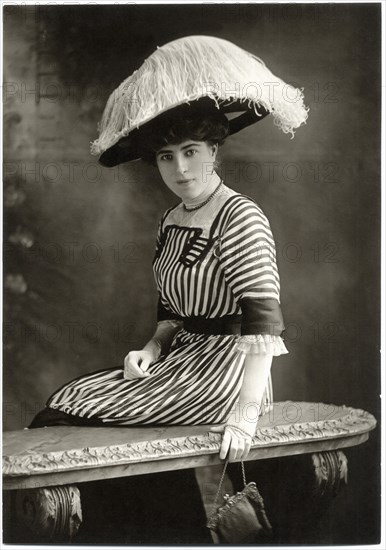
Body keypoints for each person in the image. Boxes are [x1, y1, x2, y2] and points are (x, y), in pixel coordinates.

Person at [28, 35, 308, 543]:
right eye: (165, 157)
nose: (180, 170)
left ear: (214, 151)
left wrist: (244, 418)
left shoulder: (239, 216)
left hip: (229, 376)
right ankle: (139, 529)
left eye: (191, 152)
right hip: (181, 364)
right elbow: (172, 310)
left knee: (66, 413)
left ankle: (162, 528)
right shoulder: (171, 219)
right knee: (65, 401)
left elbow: (264, 325)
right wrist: (150, 348)